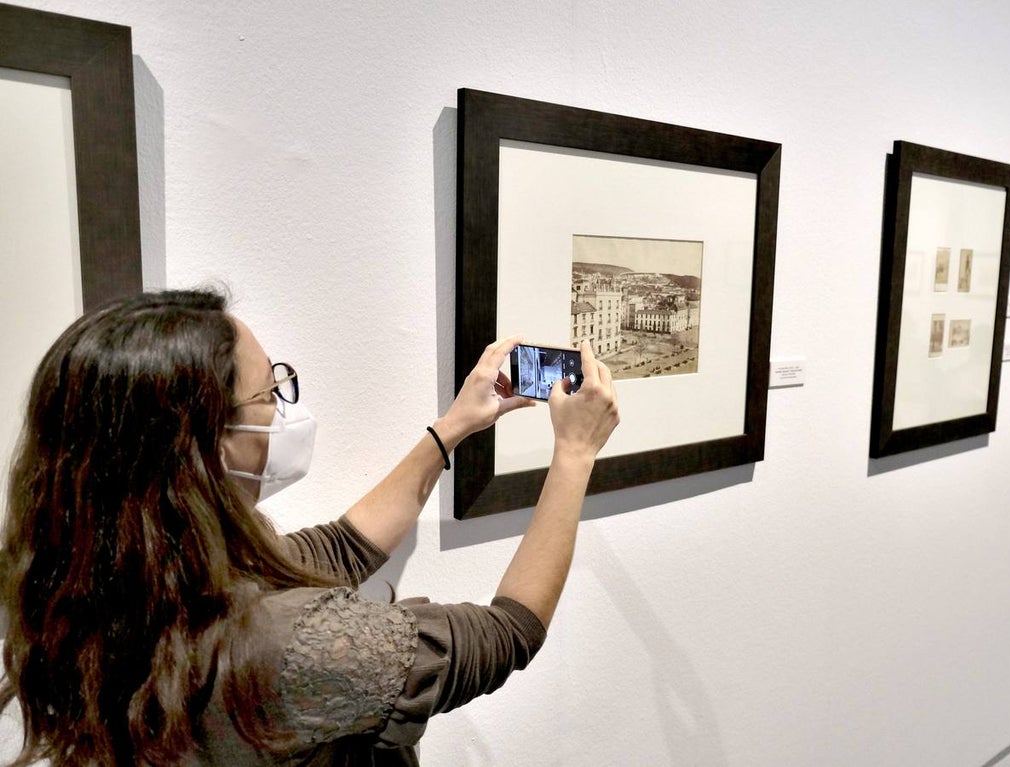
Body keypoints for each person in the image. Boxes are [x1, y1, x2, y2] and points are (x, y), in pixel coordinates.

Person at [0, 288, 619, 766]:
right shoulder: (294, 645)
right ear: (205, 445)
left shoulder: (102, 584)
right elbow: (508, 633)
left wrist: (453, 427)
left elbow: (341, 548)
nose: (282, 408)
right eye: (267, 393)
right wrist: (574, 454)